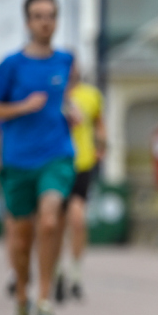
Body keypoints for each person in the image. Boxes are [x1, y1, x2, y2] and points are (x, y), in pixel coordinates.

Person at [0, 0, 76, 315]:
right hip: (18, 159)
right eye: (37, 16)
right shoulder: (11, 65)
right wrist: (22, 107)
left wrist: (71, 110)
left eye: (50, 15)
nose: (45, 22)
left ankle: (45, 297)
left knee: (51, 220)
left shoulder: (67, 61)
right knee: (21, 242)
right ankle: (22, 297)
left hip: (56, 153)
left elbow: (68, 97)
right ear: (27, 22)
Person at [60, 69, 106, 302]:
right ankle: (56, 269)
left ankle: (76, 273)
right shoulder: (52, 92)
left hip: (82, 162)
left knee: (77, 220)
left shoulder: (91, 95)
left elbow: (99, 123)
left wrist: (101, 145)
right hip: (55, 162)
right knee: (54, 221)